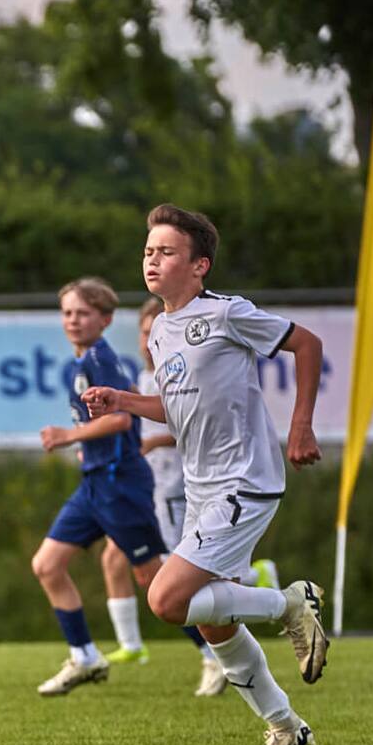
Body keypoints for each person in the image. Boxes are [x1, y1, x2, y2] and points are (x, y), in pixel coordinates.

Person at [83, 203, 328, 745]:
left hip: (245, 481)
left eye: (166, 251)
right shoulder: (162, 330)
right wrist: (122, 401)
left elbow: (307, 344)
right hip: (201, 489)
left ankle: (289, 603)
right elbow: (177, 408)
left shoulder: (226, 313)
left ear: (200, 266)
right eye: (148, 251)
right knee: (213, 622)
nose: (152, 260)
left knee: (167, 600)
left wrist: (301, 424)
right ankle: (286, 727)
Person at [27, 277, 168, 695]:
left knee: (156, 582)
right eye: (67, 312)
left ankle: (213, 653)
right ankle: (85, 655)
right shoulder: (80, 361)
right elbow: (101, 425)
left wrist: (68, 436)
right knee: (46, 565)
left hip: (120, 483)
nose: (73, 320)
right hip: (94, 484)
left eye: (83, 313)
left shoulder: (102, 360)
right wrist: (84, 443)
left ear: (104, 320)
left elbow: (122, 419)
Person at [135, 295, 228, 696]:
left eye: (152, 330)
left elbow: (196, 423)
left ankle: (214, 652)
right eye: (142, 332)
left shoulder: (183, 372)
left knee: (172, 577)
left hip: (179, 488)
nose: (146, 340)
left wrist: (156, 441)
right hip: (150, 488)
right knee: (140, 567)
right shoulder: (142, 377)